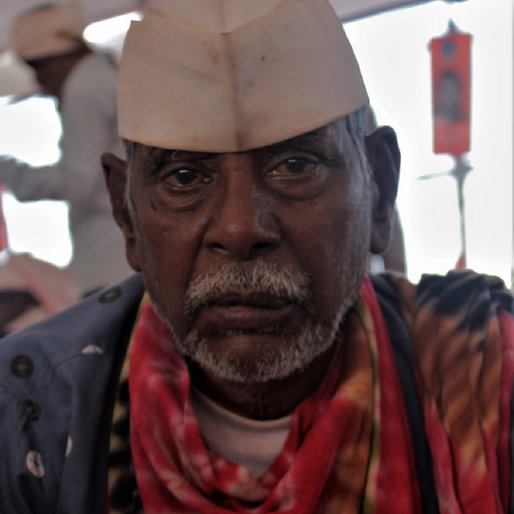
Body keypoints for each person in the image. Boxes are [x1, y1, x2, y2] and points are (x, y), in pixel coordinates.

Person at [0, 1, 512, 513]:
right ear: (127, 216)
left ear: (378, 190)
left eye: (296, 165)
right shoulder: (29, 406)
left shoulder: (482, 361)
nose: (240, 229)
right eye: (183, 177)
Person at [0, 1, 132, 295]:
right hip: (120, 252)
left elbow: (77, 181)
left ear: (55, 58)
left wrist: (8, 169)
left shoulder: (83, 89)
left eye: (38, 68)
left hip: (112, 257)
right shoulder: (102, 74)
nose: (39, 82)